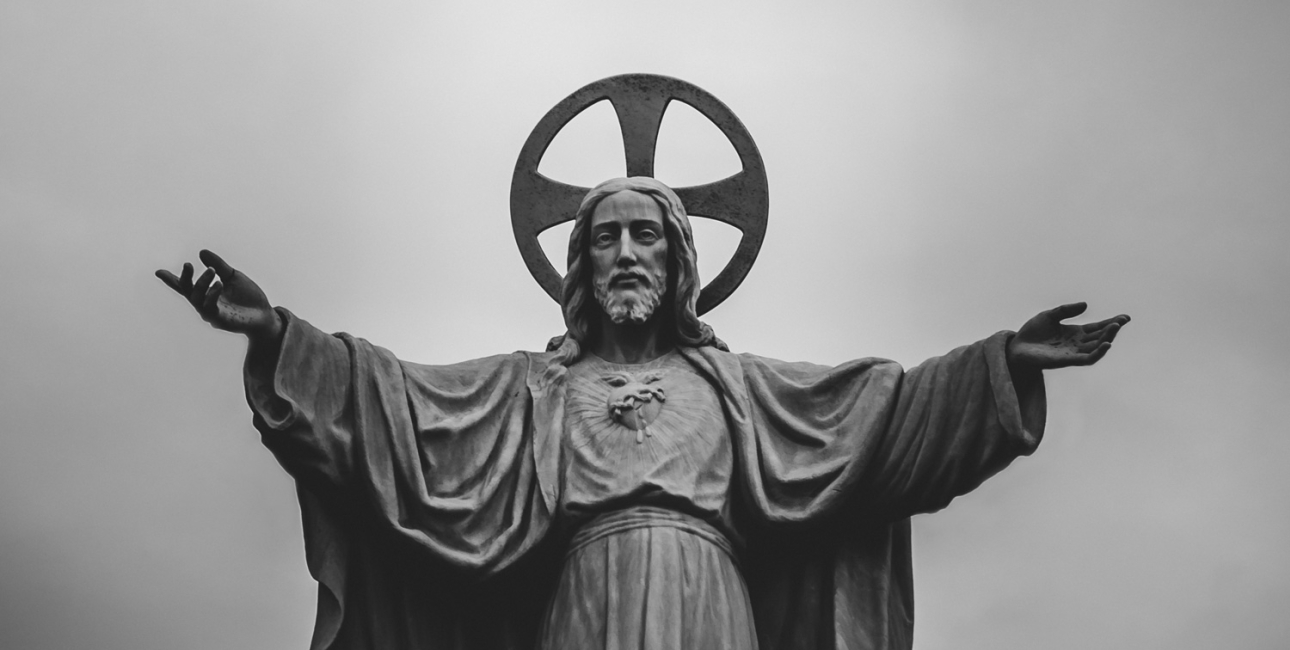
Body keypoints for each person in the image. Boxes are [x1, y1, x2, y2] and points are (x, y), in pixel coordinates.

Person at [157, 177, 1128, 650]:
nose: (626, 251)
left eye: (646, 234)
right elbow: (391, 406)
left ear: (677, 260)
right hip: (581, 597)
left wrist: (1002, 364)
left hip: (714, 601)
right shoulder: (532, 388)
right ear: (581, 264)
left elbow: (889, 415)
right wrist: (278, 334)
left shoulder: (739, 388)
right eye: (608, 235)